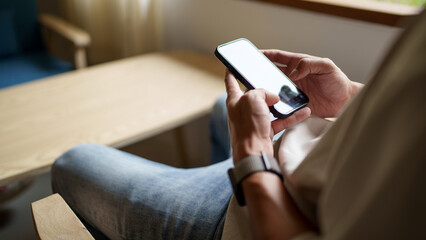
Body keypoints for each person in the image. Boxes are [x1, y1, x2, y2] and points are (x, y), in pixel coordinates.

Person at [52, 11, 426, 240]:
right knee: (224, 106)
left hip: (261, 215)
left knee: (72, 161)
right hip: (292, 166)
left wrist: (250, 156)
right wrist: (349, 98)